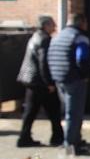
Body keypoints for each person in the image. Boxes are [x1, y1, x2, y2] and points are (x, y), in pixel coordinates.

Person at [16, 15, 64, 147]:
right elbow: (43, 63)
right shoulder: (44, 39)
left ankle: (24, 137)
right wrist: (49, 83)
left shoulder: (35, 36)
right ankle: (57, 138)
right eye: (52, 24)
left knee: (31, 111)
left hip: (30, 79)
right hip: (39, 82)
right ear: (46, 26)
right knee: (53, 110)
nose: (55, 27)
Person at [48, 13, 90, 154]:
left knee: (68, 112)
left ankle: (75, 139)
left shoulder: (58, 36)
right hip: (74, 80)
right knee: (74, 113)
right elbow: (82, 58)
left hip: (59, 79)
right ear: (81, 23)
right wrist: (85, 75)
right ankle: (71, 145)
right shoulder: (79, 37)